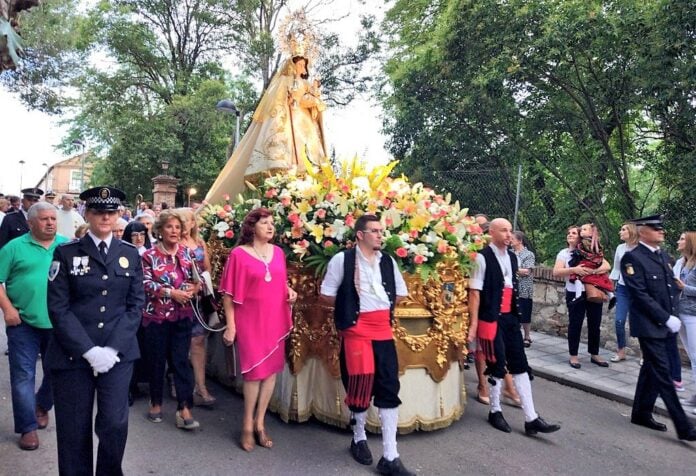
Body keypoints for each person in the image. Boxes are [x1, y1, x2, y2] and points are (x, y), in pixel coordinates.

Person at [46, 186, 145, 475]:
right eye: (99, 211)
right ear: (86, 214)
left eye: (111, 212)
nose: (105, 217)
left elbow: (135, 304)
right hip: (73, 355)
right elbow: (58, 308)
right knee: (73, 429)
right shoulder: (66, 253)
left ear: (118, 215)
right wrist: (89, 351)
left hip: (117, 355)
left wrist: (112, 349)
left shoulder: (129, 254)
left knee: (115, 423)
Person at [320, 214, 415, 476]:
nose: (380, 235)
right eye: (374, 231)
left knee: (388, 386)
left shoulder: (388, 261)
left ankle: (390, 455)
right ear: (360, 235)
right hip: (357, 330)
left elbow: (401, 292)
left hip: (383, 329)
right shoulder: (343, 259)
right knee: (359, 385)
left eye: (381, 231)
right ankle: (359, 437)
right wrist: (349, 307)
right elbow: (326, 294)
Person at [205, 20, 327, 203]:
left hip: (304, 124)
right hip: (291, 122)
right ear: (293, 64)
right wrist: (313, 100)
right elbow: (297, 99)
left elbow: (309, 100)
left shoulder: (306, 84)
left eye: (304, 64)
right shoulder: (287, 82)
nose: (302, 67)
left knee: (310, 156)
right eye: (299, 64)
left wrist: (316, 97)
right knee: (294, 157)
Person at [469, 218, 561, 437]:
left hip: (510, 317)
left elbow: (511, 287)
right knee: (497, 363)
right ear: (491, 233)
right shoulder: (481, 258)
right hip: (490, 319)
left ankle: (531, 417)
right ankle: (495, 410)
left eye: (510, 231)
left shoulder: (512, 257)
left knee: (520, 364)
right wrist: (473, 325)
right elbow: (474, 293)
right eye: (503, 230)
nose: (508, 234)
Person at [220, 208, 296, 452]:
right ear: (252, 227)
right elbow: (229, 295)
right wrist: (231, 326)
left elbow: (280, 280)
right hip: (249, 321)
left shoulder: (279, 253)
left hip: (275, 318)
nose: (271, 227)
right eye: (265, 223)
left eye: (272, 223)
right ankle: (246, 424)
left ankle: (260, 423)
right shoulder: (239, 254)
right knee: (253, 373)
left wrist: (289, 292)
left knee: (271, 371)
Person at [620, 214, 696, 441]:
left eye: (662, 228)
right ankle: (684, 427)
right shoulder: (632, 259)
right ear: (643, 231)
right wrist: (666, 318)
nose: (661, 231)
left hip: (665, 323)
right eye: (656, 228)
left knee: (651, 370)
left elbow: (669, 289)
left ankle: (641, 413)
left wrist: (672, 317)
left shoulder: (663, 256)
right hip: (648, 325)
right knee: (664, 372)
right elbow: (640, 294)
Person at [0, 202, 68, 450]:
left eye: (53, 218)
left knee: (56, 371)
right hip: (23, 323)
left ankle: (42, 404)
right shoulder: (14, 248)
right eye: (44, 219)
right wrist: (7, 309)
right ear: (30, 223)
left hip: (58, 324)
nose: (50, 222)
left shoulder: (67, 245)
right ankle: (27, 427)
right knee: (22, 376)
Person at [141, 209, 201, 430]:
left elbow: (197, 280)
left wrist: (194, 289)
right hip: (156, 316)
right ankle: (156, 402)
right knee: (157, 361)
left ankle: (184, 407)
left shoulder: (187, 253)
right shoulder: (148, 255)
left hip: (182, 315)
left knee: (181, 361)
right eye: (169, 227)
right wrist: (170, 293)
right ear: (160, 230)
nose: (174, 231)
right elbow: (145, 284)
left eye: (178, 227)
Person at [553, 225, 611, 369]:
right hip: (574, 292)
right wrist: (575, 269)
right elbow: (556, 272)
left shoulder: (591, 251)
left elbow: (607, 266)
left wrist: (591, 272)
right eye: (568, 233)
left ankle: (594, 354)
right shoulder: (564, 253)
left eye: (574, 233)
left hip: (593, 291)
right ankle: (574, 356)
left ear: (580, 237)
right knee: (575, 324)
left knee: (594, 323)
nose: (570, 235)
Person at [178, 207, 216, 407]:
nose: (184, 224)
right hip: (179, 298)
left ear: (193, 223)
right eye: (180, 220)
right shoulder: (173, 242)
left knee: (198, 341)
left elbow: (207, 268)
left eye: (187, 220)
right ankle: (180, 381)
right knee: (180, 342)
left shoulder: (200, 243)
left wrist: (200, 284)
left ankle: (201, 387)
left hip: (198, 298)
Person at [608, 223, 639, 362]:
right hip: (622, 289)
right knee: (619, 321)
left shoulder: (641, 249)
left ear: (631, 232)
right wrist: (610, 288)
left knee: (639, 323)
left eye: (623, 229)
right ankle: (621, 351)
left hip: (638, 290)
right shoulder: (620, 248)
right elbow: (616, 269)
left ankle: (644, 354)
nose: (620, 231)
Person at [567, 223, 615, 303]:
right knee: (601, 278)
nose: (582, 231)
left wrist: (578, 253)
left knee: (576, 276)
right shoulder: (596, 243)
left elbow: (584, 253)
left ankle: (578, 296)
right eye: (581, 229)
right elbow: (599, 254)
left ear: (591, 233)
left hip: (587, 263)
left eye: (584, 229)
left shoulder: (583, 243)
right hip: (596, 263)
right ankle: (611, 295)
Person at [675, 231, 696, 408]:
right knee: (691, 354)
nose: (678, 241)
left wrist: (684, 287)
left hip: (693, 315)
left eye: (682, 239)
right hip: (680, 313)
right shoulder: (680, 263)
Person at [511, 230, 535, 347]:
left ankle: (527, 335)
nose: (511, 241)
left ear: (520, 241)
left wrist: (512, 269)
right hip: (512, 286)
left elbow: (527, 271)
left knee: (525, 311)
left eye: (513, 239)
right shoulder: (509, 252)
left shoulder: (528, 254)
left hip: (524, 288)